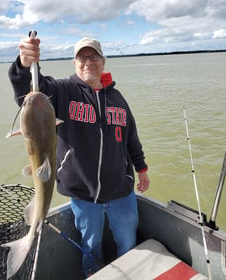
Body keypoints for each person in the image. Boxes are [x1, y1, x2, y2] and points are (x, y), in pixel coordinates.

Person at [8, 36, 150, 277]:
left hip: (122, 193)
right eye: (82, 57)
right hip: (84, 196)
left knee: (128, 245)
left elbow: (131, 138)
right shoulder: (63, 91)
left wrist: (141, 168)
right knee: (90, 249)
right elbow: (31, 92)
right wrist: (24, 64)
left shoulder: (118, 99)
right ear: (74, 62)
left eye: (94, 57)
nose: (88, 62)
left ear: (103, 62)